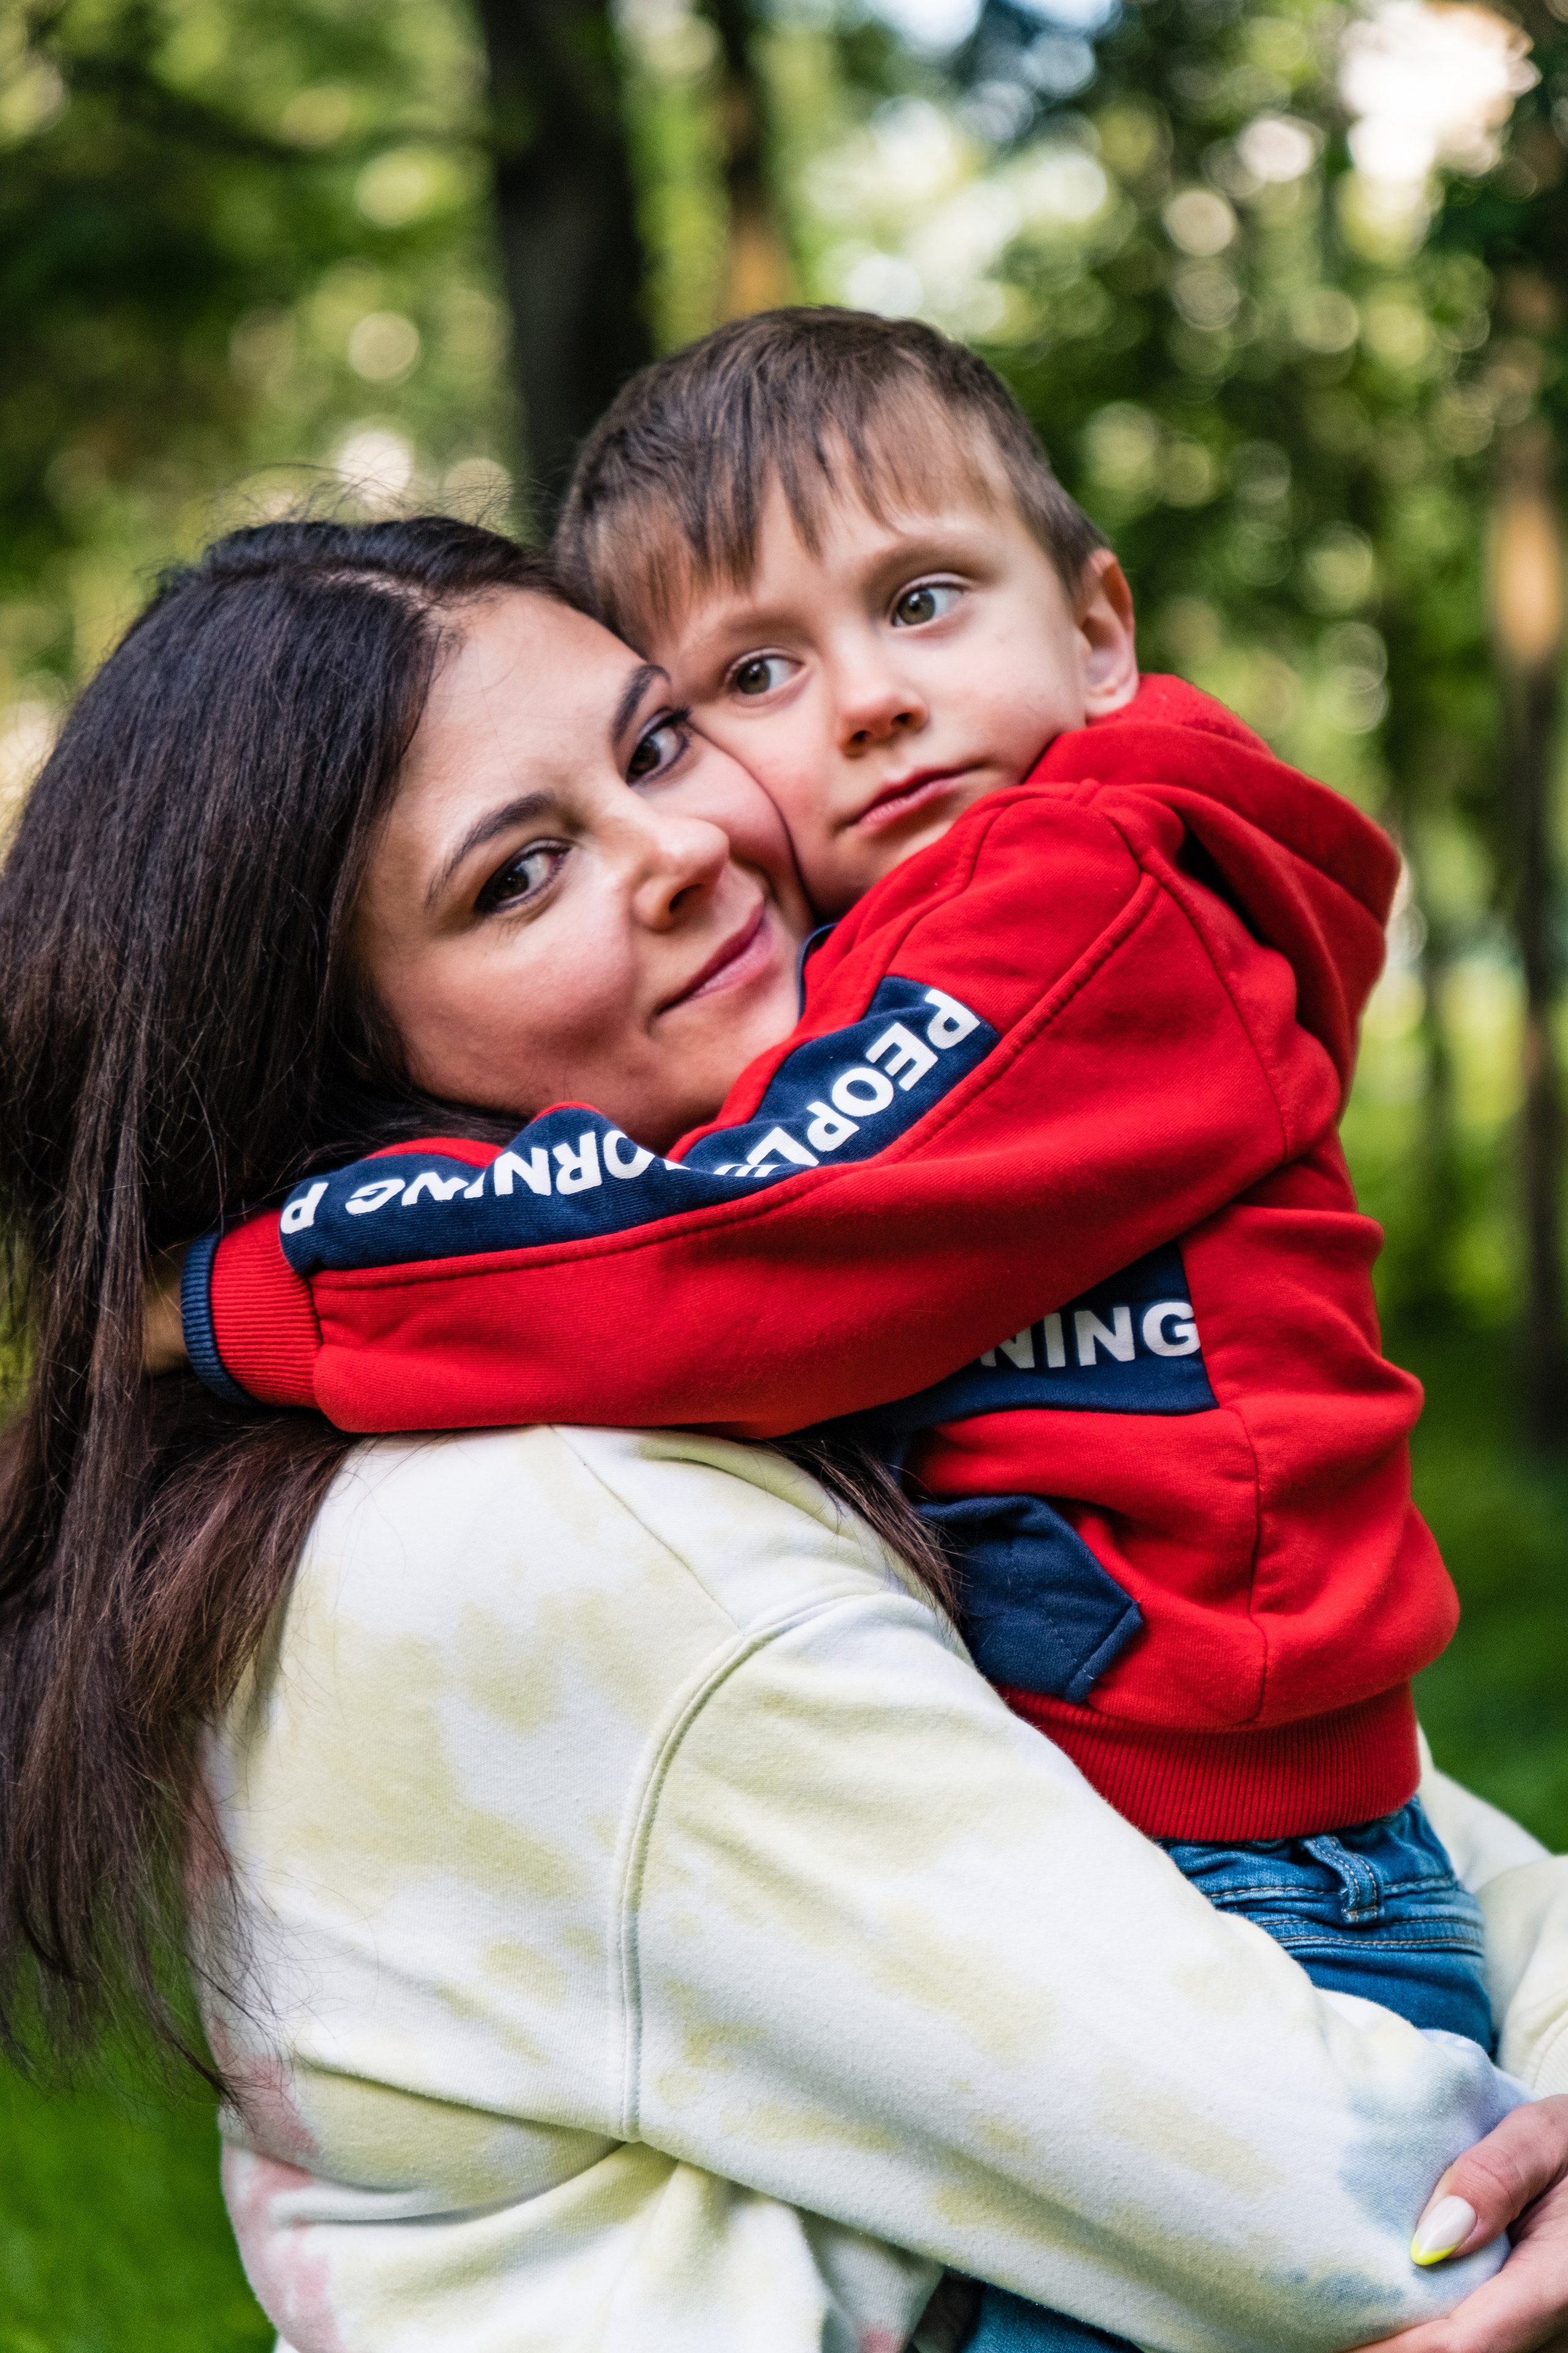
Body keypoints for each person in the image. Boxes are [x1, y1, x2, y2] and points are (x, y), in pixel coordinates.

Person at [10, 515, 1568, 2351]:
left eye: (660, 740)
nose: (681, 848)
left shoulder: (726, 1376)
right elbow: (1353, 2203)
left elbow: (1387, 1826)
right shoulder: (552, 1540)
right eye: (521, 876)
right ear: (335, 1060)